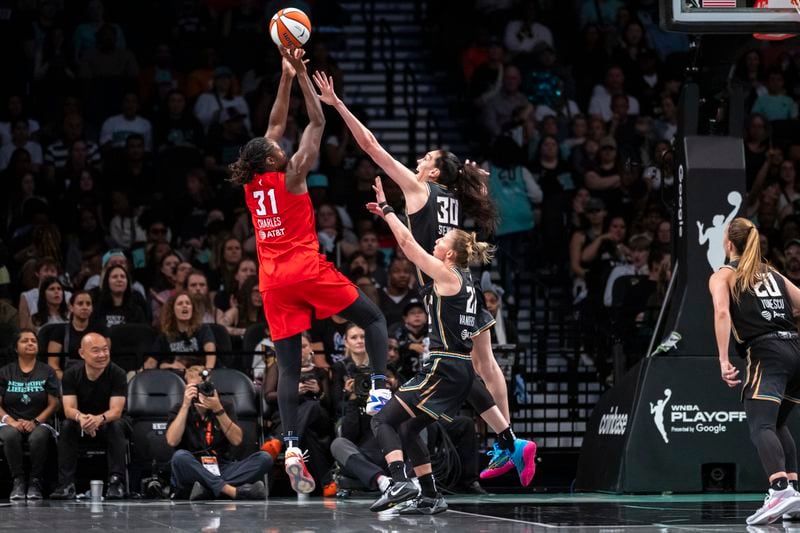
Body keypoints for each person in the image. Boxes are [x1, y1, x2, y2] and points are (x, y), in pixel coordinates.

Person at [315, 73, 537, 486]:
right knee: (480, 364)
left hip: (442, 285)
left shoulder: (419, 190)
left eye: (425, 159)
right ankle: (508, 439)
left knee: (460, 363)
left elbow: (371, 147)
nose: (418, 161)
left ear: (434, 173)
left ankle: (508, 443)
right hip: (465, 281)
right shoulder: (454, 196)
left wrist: (337, 104)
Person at [227, 47, 390, 494]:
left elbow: (274, 126)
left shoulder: (253, 181)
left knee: (288, 364)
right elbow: (316, 123)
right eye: (277, 149)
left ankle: (293, 443)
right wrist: (301, 76)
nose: (280, 144)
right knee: (373, 318)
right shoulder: (294, 174)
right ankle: (378, 385)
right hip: (304, 267)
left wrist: (282, 76)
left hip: (272, 281)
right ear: (274, 161)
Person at [366, 185, 497, 513]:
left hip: (444, 365)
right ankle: (430, 495)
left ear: (450, 254)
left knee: (382, 422)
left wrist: (388, 210)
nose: (435, 242)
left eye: (441, 242)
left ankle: (399, 480)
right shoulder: (466, 277)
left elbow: (408, 245)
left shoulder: (446, 272)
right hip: (460, 368)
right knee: (410, 431)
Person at [709, 217, 800, 525]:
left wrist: (723, 359)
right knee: (776, 423)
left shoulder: (724, 275)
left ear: (729, 244)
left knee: (760, 423)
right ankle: (793, 492)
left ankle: (779, 490)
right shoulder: (772, 273)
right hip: (795, 349)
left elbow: (722, 312)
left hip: (766, 351)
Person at [166, 365, 271, 501]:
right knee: (179, 458)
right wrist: (185, 405)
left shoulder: (224, 406)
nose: (200, 392)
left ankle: (207, 489)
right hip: (194, 465)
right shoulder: (179, 409)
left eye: (203, 387)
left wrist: (218, 410)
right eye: (195, 388)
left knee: (264, 458)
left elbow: (237, 440)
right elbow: (172, 441)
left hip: (221, 466)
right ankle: (230, 490)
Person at [50, 333, 130, 500]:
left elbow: (116, 411)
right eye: (95, 351)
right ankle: (66, 484)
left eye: (105, 350)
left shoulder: (117, 373)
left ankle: (116, 482)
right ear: (82, 353)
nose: (102, 355)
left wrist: (98, 419)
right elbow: (69, 408)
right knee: (66, 425)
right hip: (82, 421)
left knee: (117, 425)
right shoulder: (71, 374)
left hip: (109, 421)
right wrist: (82, 418)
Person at [0, 329, 59, 500]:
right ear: (16, 348)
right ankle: (18, 481)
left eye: (33, 340)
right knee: (10, 435)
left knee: (39, 436)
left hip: (39, 421)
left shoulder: (47, 371)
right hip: (9, 422)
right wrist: (10, 421)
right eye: (25, 341)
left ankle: (35, 481)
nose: (30, 343)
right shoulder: (5, 372)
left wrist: (35, 421)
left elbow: (54, 403)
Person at [44, 290, 109, 380]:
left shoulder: (100, 330)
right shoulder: (59, 331)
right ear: (71, 307)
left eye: (88, 304)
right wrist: (66, 380)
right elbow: (52, 364)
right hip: (66, 380)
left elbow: (106, 360)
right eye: (80, 303)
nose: (85, 307)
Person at [146, 291, 217, 371]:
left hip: (199, 374)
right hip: (175, 378)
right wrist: (168, 366)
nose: (185, 306)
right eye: (180, 303)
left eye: (188, 303)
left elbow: (210, 352)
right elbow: (152, 361)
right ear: (172, 310)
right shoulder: (165, 336)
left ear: (192, 309)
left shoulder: (203, 329)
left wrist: (207, 372)